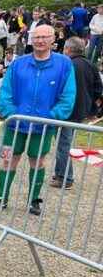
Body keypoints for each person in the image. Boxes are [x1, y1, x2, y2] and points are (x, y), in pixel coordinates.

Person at [0, 24, 76, 215]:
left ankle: (34, 201)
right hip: (15, 124)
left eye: (44, 37)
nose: (39, 41)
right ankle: (1, 197)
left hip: (44, 127)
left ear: (53, 39)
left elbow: (68, 96)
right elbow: (5, 92)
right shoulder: (18, 64)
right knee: (8, 160)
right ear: (31, 39)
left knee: (37, 161)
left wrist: (52, 117)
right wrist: (11, 113)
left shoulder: (64, 64)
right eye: (36, 37)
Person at [51, 37, 103, 189]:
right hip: (81, 110)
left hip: (68, 110)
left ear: (68, 49)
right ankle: (60, 172)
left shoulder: (67, 64)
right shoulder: (91, 65)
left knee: (63, 144)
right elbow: (98, 89)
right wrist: (92, 108)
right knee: (64, 142)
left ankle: (66, 178)